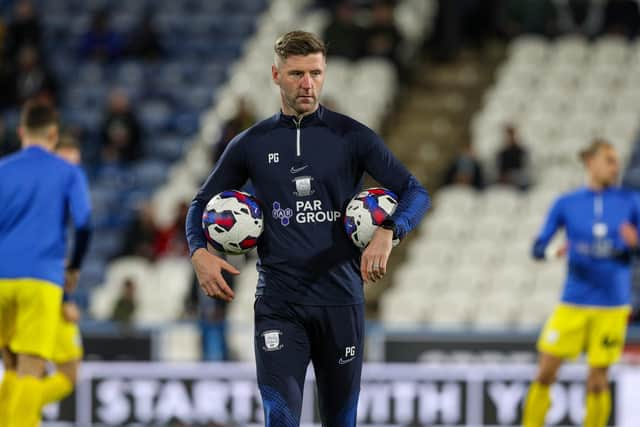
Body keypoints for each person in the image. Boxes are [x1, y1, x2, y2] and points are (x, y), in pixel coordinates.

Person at [185, 31, 430, 426]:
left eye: (316, 73)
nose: (307, 83)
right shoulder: (250, 144)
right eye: (297, 73)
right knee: (280, 418)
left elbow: (415, 192)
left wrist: (389, 231)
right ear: (275, 74)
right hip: (279, 305)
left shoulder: (351, 136)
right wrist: (199, 252)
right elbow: (200, 204)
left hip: (341, 303)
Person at [522, 139, 639, 427]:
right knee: (545, 373)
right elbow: (538, 248)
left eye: (617, 160)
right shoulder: (567, 203)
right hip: (573, 303)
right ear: (591, 161)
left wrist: (635, 245)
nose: (616, 166)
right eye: (609, 160)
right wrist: (553, 252)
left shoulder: (630, 202)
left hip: (612, 306)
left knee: (598, 380)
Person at [0, 101, 92, 426]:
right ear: (53, 134)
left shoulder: (2, 169)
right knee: (30, 366)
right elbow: (83, 225)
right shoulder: (67, 172)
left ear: (21, 131)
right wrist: (74, 267)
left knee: (9, 363)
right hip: (41, 279)